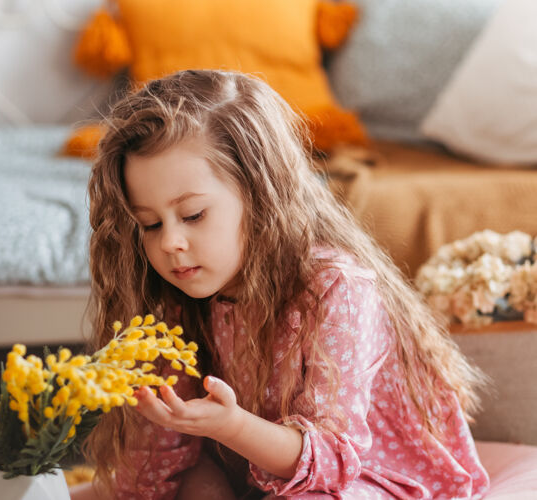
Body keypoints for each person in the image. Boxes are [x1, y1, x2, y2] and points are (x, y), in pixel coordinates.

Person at [70, 69, 489, 499]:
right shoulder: (175, 298)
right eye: (150, 224)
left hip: (365, 478)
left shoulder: (335, 288)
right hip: (252, 475)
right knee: (188, 484)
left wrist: (231, 425)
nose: (170, 243)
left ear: (260, 196)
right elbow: (155, 466)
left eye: (193, 215)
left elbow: (333, 464)